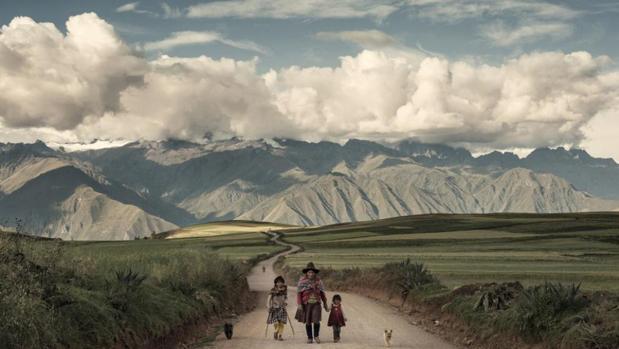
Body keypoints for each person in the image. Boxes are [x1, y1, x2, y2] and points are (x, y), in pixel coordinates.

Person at [295, 262, 328, 344]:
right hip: (306, 304)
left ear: (315, 273)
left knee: (316, 320)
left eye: (312, 272)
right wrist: (299, 304)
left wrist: (325, 303)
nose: (311, 274)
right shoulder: (302, 282)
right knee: (308, 321)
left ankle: (316, 336)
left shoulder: (319, 282)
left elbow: (322, 293)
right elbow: (299, 294)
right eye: (309, 272)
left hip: (316, 304)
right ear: (306, 273)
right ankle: (310, 338)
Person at [267, 276, 288, 341]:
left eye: (281, 282)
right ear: (275, 283)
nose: (279, 283)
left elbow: (286, 298)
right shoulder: (272, 290)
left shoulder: (284, 290)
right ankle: (276, 331)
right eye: (278, 282)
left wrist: (286, 302)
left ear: (283, 283)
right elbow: (269, 299)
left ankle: (280, 335)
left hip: (282, 309)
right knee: (276, 322)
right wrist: (268, 306)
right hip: (274, 308)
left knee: (281, 322)